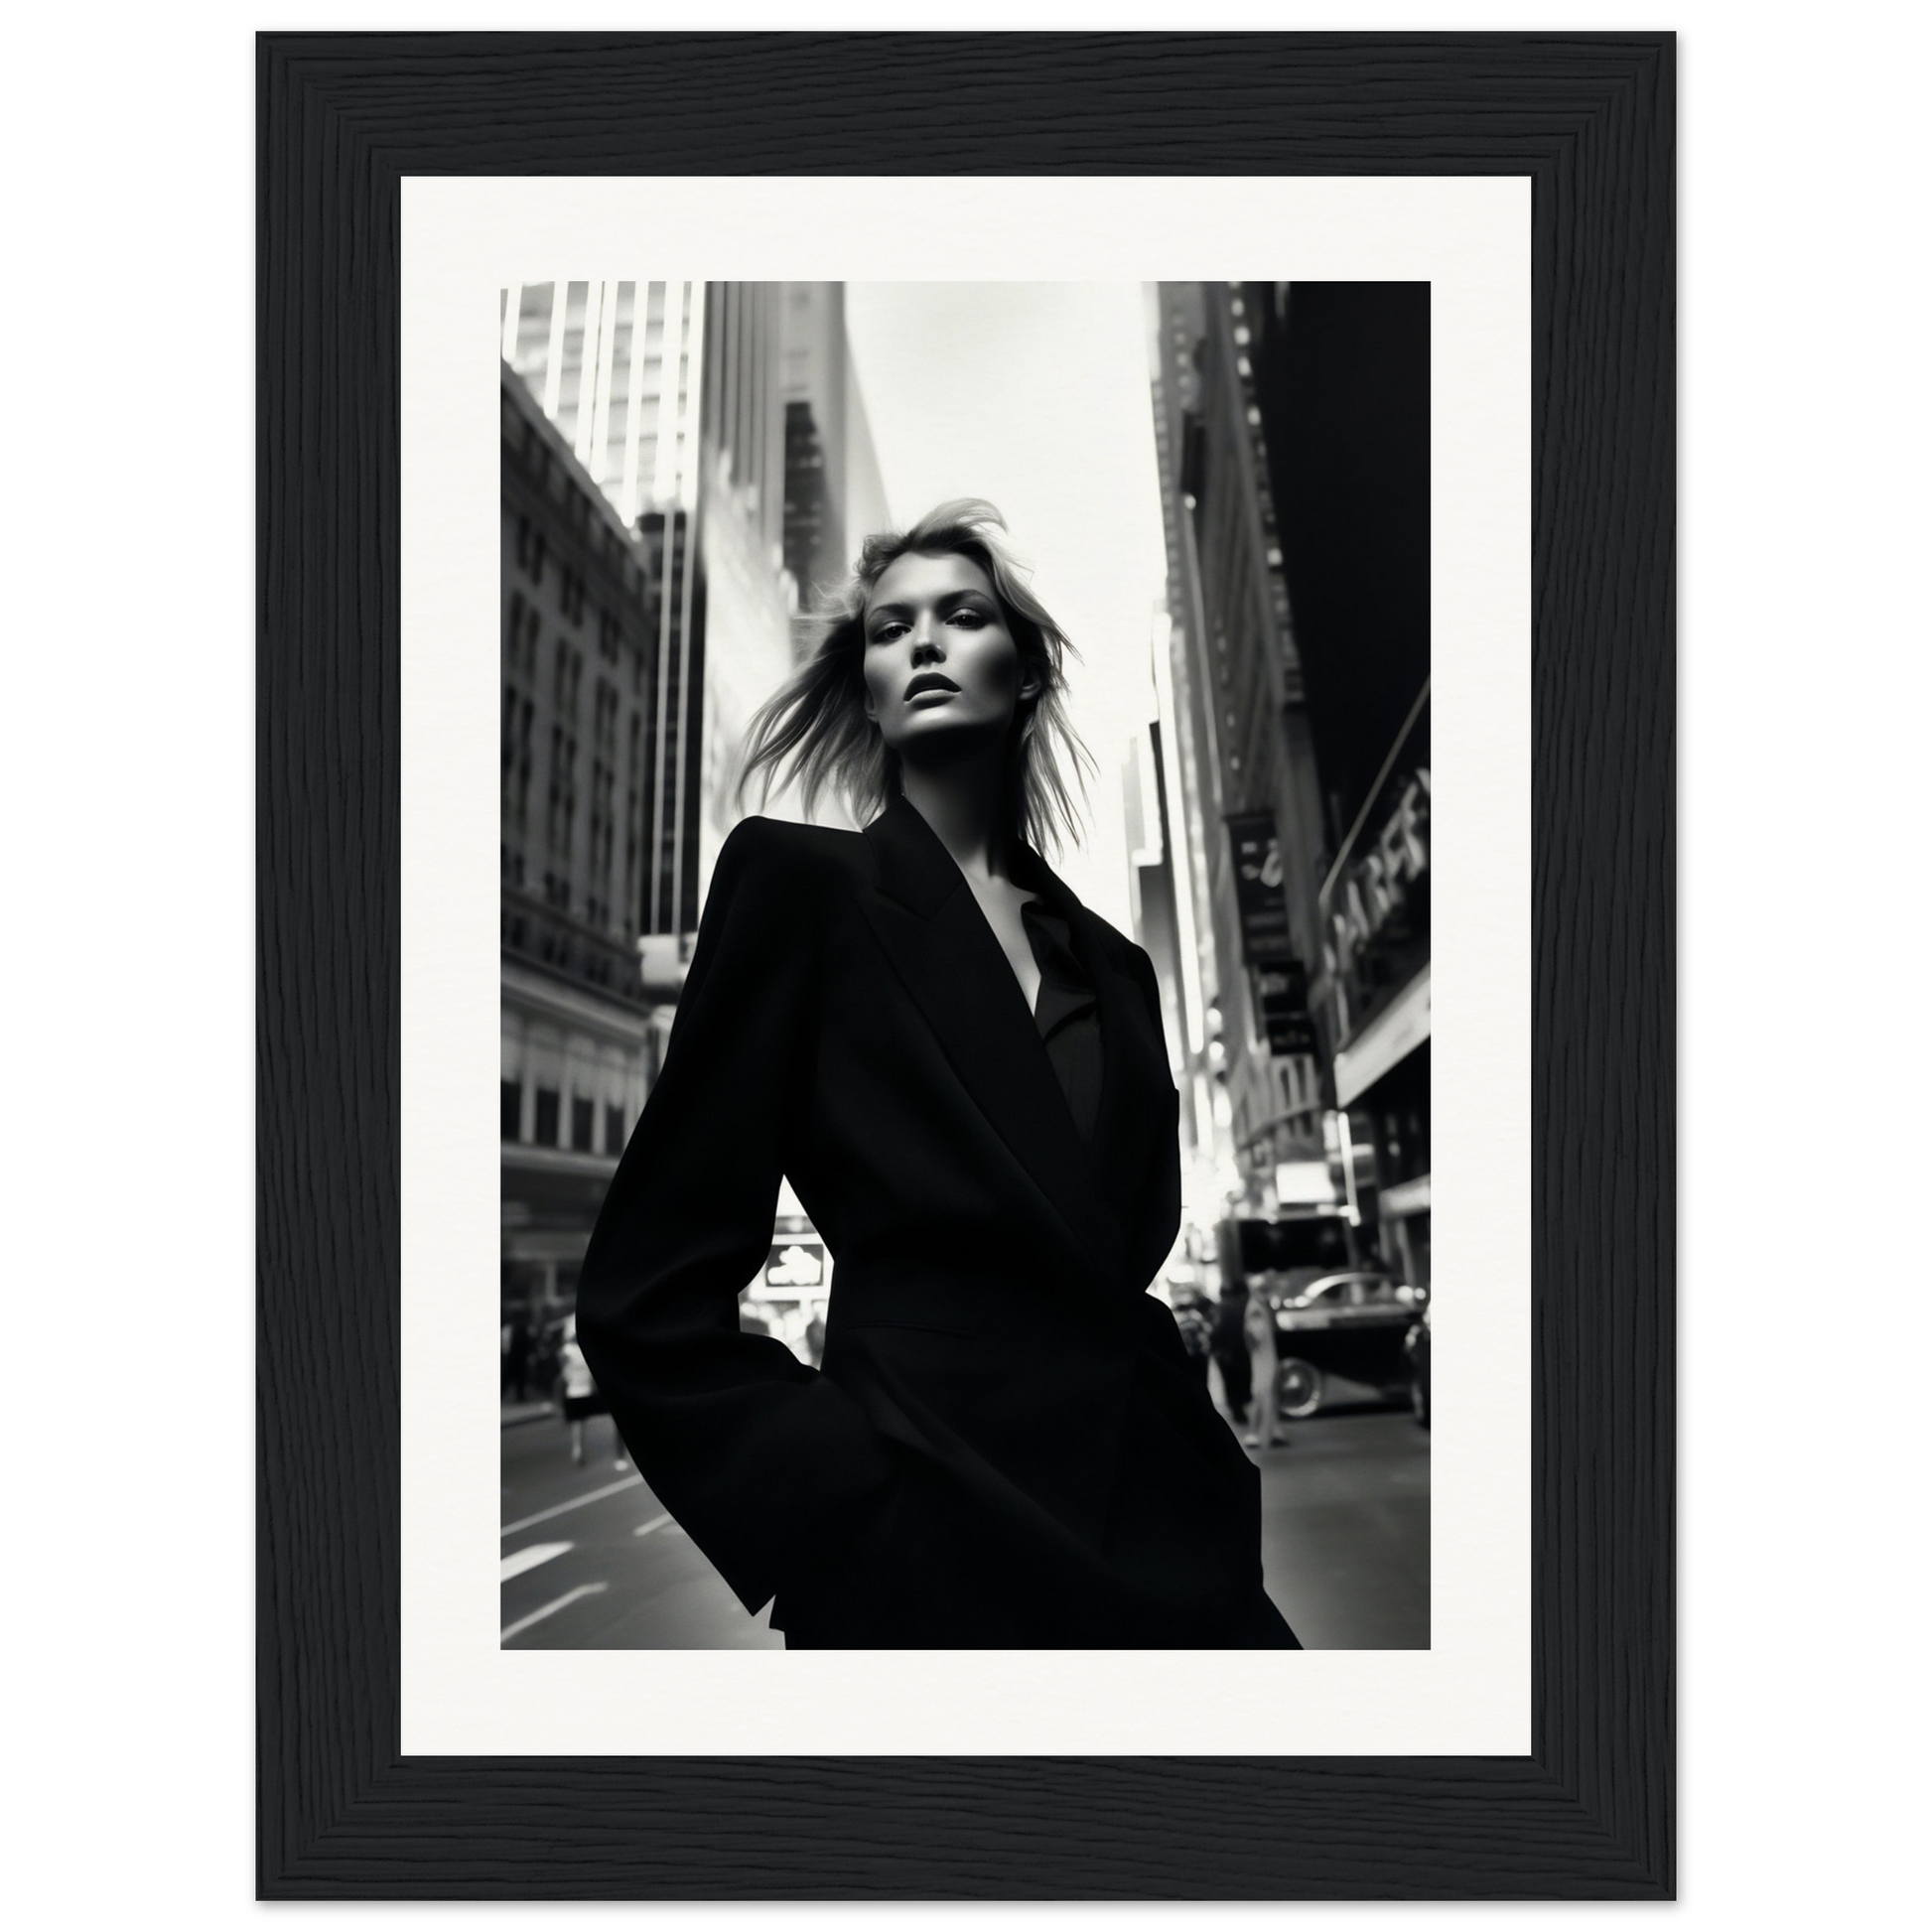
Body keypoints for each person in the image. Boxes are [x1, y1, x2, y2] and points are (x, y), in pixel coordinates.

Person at [576, 500, 1299, 1650]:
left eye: (961, 615)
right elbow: (645, 1290)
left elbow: (1119, 1249)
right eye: (887, 627)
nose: (921, 641)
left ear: (1024, 674)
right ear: (864, 689)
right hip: (924, 1549)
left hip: (1165, 1531)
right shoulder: (793, 888)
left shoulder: (1114, 965)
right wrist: (836, 1489)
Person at [557, 1313, 627, 1470]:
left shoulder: (568, 1348)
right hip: (585, 1385)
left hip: (576, 1387)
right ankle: (617, 1455)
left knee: (579, 1421)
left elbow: (563, 1373)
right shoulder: (583, 1345)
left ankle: (578, 1447)